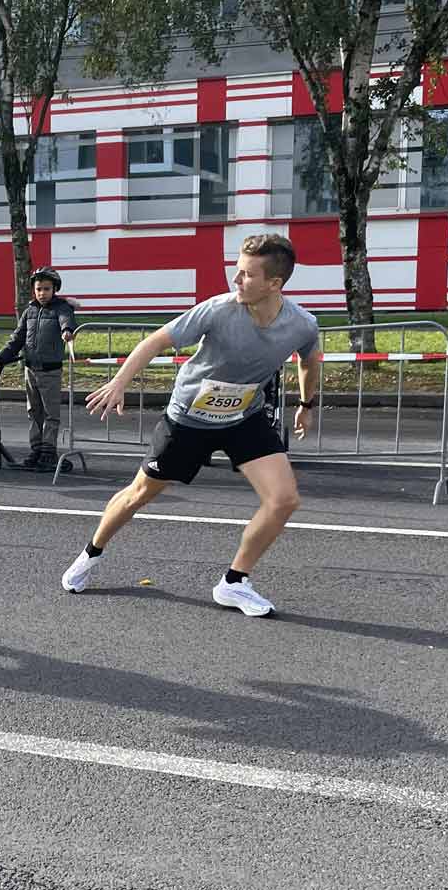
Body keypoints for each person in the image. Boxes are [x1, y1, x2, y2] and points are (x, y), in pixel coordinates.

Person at [60, 235, 321, 617]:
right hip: (189, 418)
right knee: (138, 495)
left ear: (274, 284)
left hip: (244, 416)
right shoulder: (217, 310)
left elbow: (310, 359)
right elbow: (155, 342)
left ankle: (234, 583)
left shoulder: (301, 323)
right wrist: (119, 382)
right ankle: (91, 553)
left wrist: (306, 403)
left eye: (247, 275)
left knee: (284, 500)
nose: (236, 280)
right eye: (237, 271)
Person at [0, 267, 76, 471]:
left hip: (50, 371)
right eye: (39, 289)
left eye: (46, 289)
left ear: (55, 289)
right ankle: (36, 449)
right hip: (30, 370)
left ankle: (49, 452)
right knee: (33, 411)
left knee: (50, 413)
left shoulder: (61, 308)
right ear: (33, 290)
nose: (42, 293)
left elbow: (66, 321)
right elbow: (16, 339)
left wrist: (67, 331)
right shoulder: (29, 312)